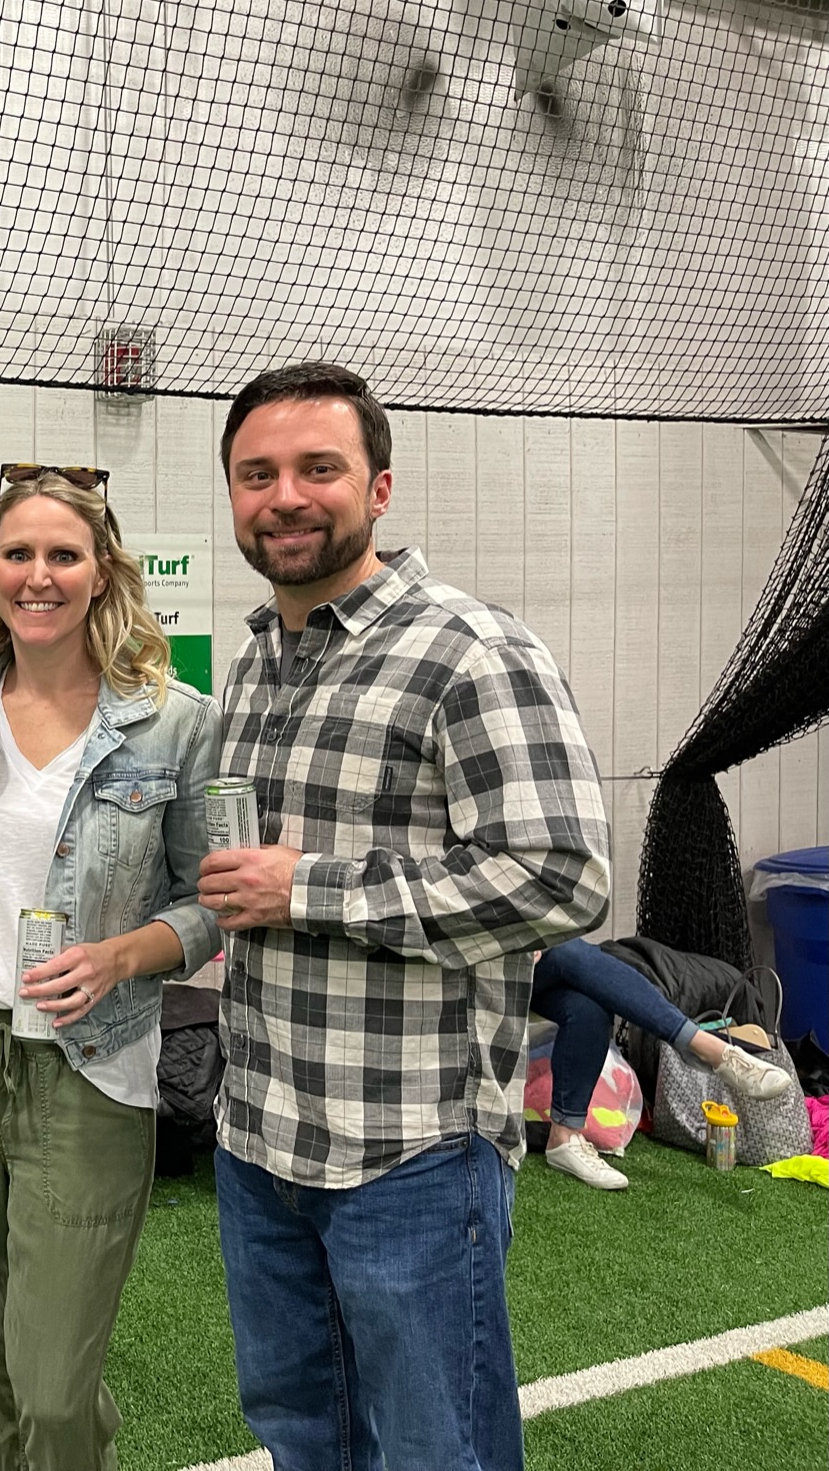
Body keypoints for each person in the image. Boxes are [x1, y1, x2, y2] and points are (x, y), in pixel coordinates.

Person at [200, 362, 613, 1471]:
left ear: (378, 488)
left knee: (438, 1449)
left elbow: (562, 877)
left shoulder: (469, 649)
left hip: (410, 1149)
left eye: (317, 468)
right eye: (256, 474)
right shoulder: (254, 664)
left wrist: (308, 888)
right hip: (260, 1138)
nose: (285, 497)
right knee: (303, 1433)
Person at [0, 466, 222, 1471]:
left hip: (89, 1062)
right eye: (17, 553)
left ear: (102, 572)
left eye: (62, 555)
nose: (38, 576)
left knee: (53, 1385)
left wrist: (123, 954)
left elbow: (212, 903)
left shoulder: (175, 722)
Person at [531, 937, 792, 1189]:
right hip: (506, 960)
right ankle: (706, 1048)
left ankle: (564, 1136)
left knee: (588, 1009)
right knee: (568, 950)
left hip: (529, 960)